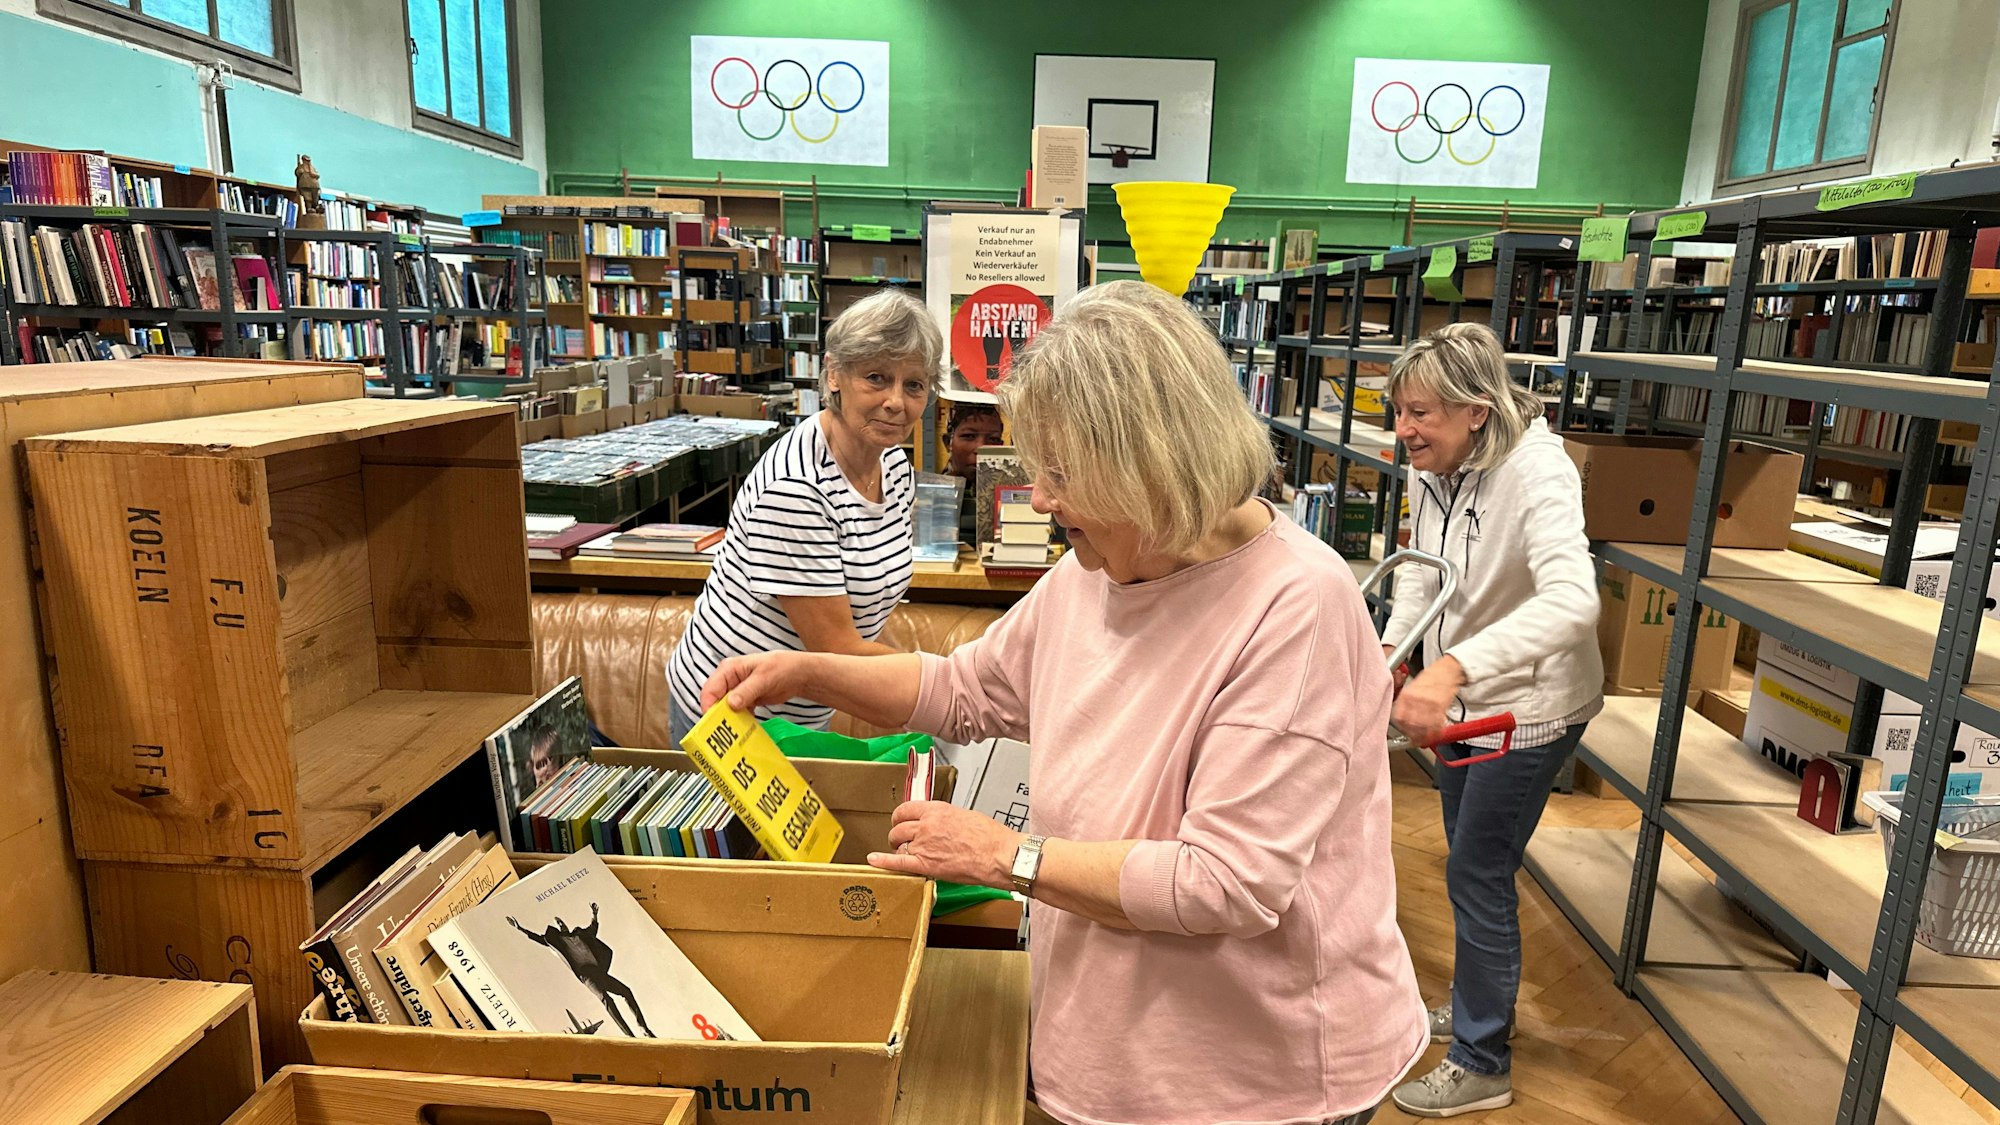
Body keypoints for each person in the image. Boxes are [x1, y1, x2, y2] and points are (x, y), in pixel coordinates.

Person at [703, 280, 1424, 1125]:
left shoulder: (1296, 605)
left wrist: (1004, 855)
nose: (1040, 499)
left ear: (1150, 461)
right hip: (1117, 1046)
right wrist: (807, 670)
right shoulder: (1097, 568)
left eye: (1060, 471)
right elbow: (962, 688)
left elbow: (1222, 882)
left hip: (1254, 1080)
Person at [1377, 322, 1603, 1118]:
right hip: (1460, 707)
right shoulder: (1433, 463)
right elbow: (1423, 568)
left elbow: (1575, 602)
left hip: (1528, 708)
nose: (1403, 430)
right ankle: (1478, 1000)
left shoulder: (1538, 471)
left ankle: (1482, 1058)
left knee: (1479, 869)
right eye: (1398, 410)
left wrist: (1452, 666)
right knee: (1464, 861)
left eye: (1421, 413)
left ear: (1476, 411)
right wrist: (1393, 652)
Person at [666, 289, 941, 744]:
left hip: (802, 710)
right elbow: (836, 648)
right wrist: (943, 689)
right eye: (876, 377)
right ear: (834, 374)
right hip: (730, 710)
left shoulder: (892, 463)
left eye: (914, 385)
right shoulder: (797, 486)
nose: (897, 401)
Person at [508, 903, 656, 1038]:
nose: (560, 924)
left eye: (561, 921)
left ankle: (643, 1028)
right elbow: (540, 939)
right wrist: (520, 928)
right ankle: (629, 1035)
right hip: (587, 976)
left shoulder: (579, 934)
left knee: (626, 991)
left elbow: (593, 929)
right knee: (606, 999)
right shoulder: (557, 942)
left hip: (599, 971)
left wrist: (595, 915)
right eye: (557, 923)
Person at [944, 402, 1006, 540]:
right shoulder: (931, 496)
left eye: (993, 439)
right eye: (969, 436)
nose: (981, 448)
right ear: (948, 442)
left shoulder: (1010, 498)